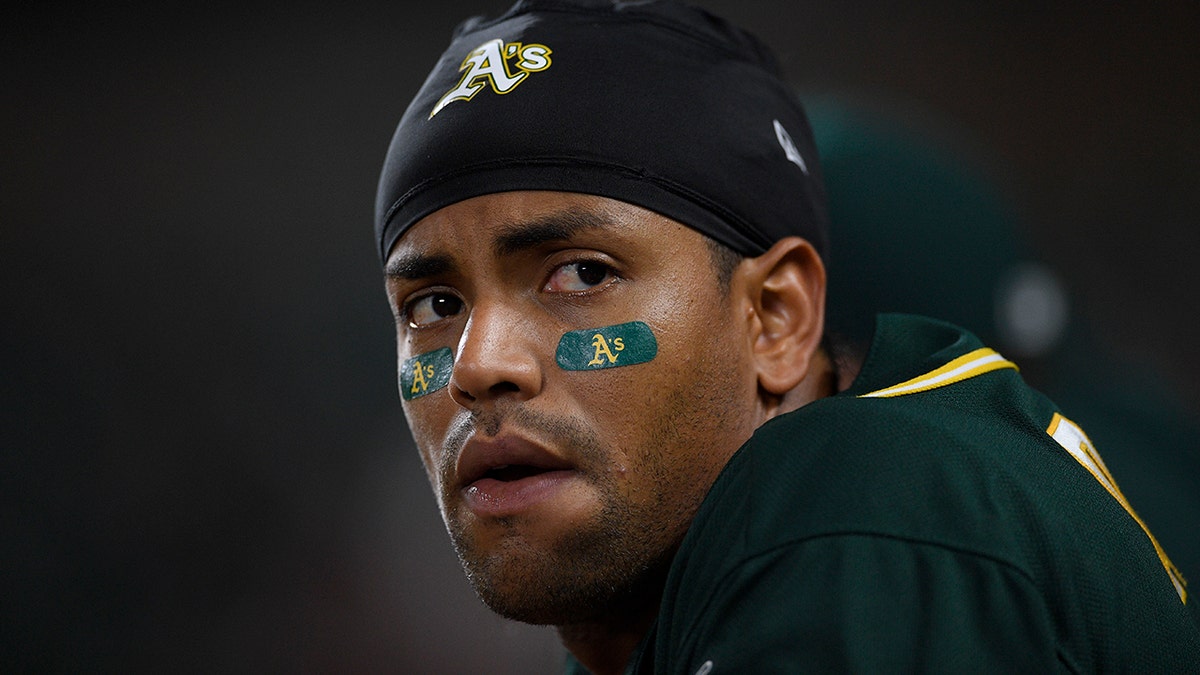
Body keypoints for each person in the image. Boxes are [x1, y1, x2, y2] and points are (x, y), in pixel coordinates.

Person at [372, 1, 1200, 672]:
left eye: (582, 273)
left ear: (776, 317)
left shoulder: (854, 516)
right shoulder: (682, 604)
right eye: (434, 302)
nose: (478, 364)